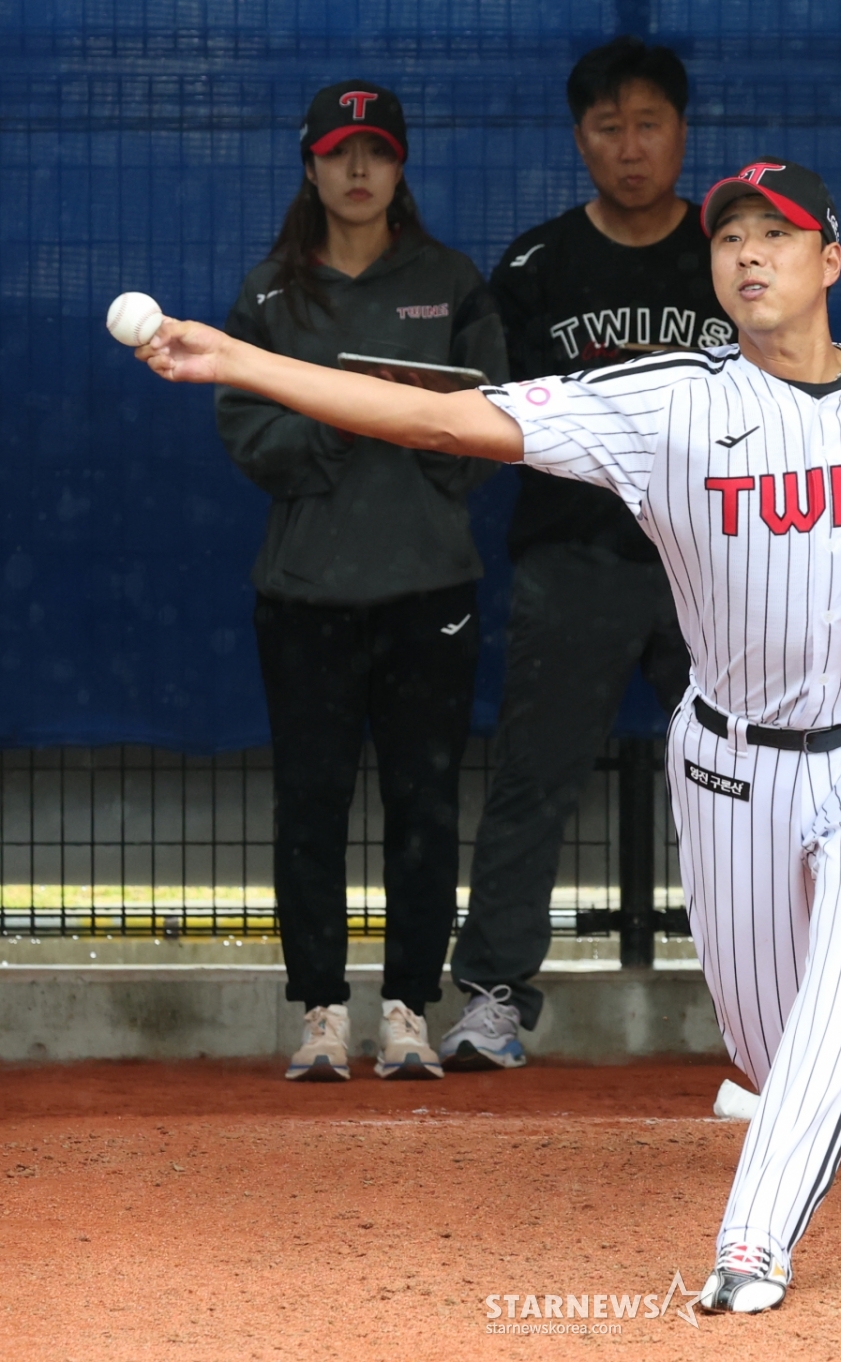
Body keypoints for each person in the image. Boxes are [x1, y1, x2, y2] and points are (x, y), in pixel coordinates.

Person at [136, 156, 841, 1312]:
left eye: (776, 235)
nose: (749, 254)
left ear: (831, 261)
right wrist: (239, 360)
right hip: (731, 758)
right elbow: (446, 417)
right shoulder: (667, 403)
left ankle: (753, 1246)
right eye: (730, 238)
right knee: (766, 1041)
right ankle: (829, 1079)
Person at [438, 36, 733, 1071]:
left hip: (714, 562)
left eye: (649, 124)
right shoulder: (535, 267)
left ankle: (792, 1004)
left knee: (754, 781)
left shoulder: (731, 254)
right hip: (573, 561)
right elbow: (496, 416)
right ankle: (492, 998)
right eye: (610, 128)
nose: (631, 146)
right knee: (533, 776)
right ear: (580, 140)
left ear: (682, 133)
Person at [214, 80, 507, 1083]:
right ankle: (321, 1014)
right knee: (310, 806)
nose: (357, 168)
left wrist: (423, 440)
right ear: (310, 166)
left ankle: (410, 1011)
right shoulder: (268, 293)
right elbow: (244, 426)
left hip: (431, 590)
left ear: (399, 165)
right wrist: (342, 422)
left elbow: (494, 418)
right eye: (339, 151)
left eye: (375, 150)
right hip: (304, 595)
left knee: (426, 809)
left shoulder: (451, 282)